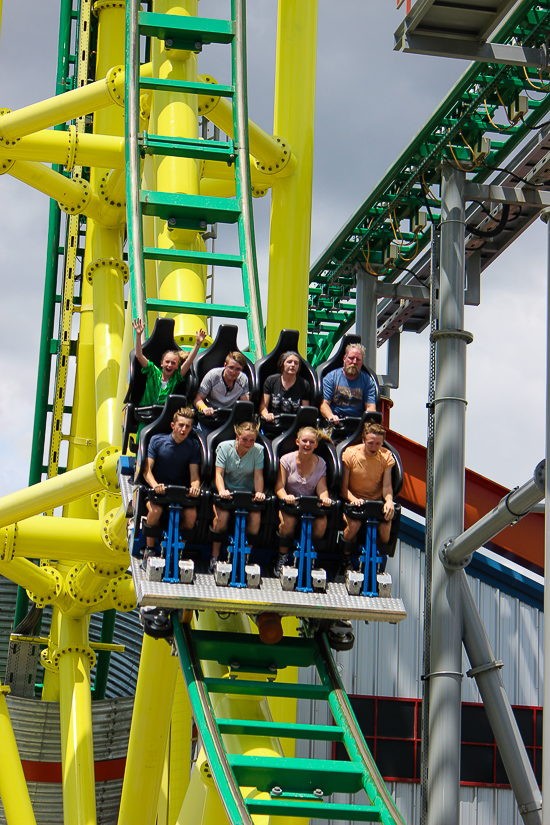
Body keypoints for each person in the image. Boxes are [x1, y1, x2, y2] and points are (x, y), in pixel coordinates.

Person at [141, 408, 201, 561]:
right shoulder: (157, 440)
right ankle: (150, 549)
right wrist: (155, 485)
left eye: (188, 426)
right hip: (159, 492)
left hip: (180, 493)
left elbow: (194, 476)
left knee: (191, 514)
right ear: (172, 425)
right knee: (155, 512)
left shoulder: (193, 446)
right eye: (181, 425)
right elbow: (147, 470)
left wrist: (195, 487)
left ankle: (177, 549)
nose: (184, 429)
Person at [273, 426, 332, 577]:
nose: (307, 444)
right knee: (288, 523)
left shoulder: (321, 463)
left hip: (310, 505)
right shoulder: (286, 459)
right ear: (297, 442)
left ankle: (309, 557)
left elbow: (322, 488)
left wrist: (325, 498)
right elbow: (279, 487)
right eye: (304, 441)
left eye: (311, 442)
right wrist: (286, 497)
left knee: (321, 523)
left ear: (316, 445)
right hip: (291, 504)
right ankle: (282, 557)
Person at [339, 420, 396, 572]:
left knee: (385, 529)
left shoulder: (386, 457)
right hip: (354, 501)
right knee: (354, 525)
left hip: (376, 503)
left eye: (378, 444)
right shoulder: (350, 454)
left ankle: (378, 560)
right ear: (363, 440)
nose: (374, 447)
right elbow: (343, 489)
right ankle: (345, 558)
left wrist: (389, 500)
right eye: (370, 443)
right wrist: (354, 499)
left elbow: (387, 486)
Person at [210, 421, 265, 572]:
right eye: (244, 439)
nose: (248, 443)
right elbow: (219, 474)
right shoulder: (224, 447)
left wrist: (259, 492)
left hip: (247, 494)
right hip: (226, 492)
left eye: (252, 440)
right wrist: (222, 491)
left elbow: (258, 477)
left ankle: (244, 558)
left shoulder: (258, 450)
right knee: (222, 518)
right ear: (237, 436)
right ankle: (214, 557)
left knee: (255, 518)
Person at [133, 318, 206, 408]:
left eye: (173, 363)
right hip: (146, 410)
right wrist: (138, 335)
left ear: (177, 366)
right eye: (167, 362)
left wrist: (198, 343)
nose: (169, 365)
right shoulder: (153, 371)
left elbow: (189, 361)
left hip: (164, 413)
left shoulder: (175, 378)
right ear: (161, 363)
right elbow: (139, 356)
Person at [320, 343, 376, 424]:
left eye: (358, 359)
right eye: (351, 358)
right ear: (344, 358)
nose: (354, 362)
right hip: (335, 423)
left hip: (358, 424)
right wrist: (331, 416)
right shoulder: (331, 377)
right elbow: (324, 405)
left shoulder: (368, 380)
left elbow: (370, 407)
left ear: (362, 362)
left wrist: (368, 421)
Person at [194, 351, 250, 426]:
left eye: (238, 369)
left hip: (230, 417)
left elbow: (245, 405)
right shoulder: (213, 375)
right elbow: (197, 399)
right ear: (225, 365)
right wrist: (204, 408)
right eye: (231, 368)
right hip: (211, 416)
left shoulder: (243, 379)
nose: (233, 372)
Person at [260, 351, 311, 423]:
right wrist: (266, 415)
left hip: (294, 424)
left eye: (296, 363)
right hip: (274, 422)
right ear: (281, 364)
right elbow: (263, 407)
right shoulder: (271, 381)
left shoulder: (304, 384)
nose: (293, 365)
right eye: (289, 362)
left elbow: (305, 411)